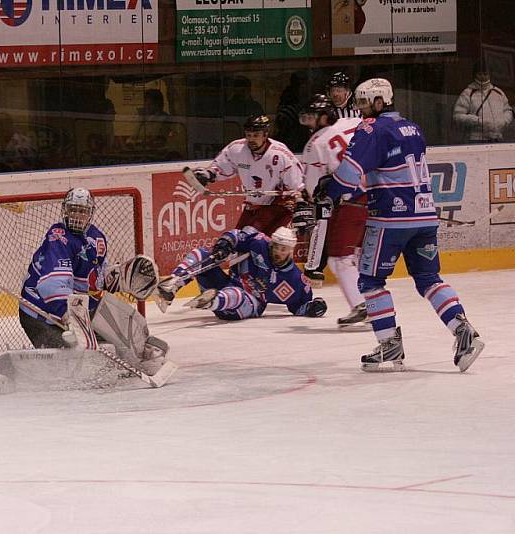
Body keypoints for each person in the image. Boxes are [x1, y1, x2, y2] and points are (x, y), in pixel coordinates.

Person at [317, 78, 484, 372]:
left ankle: (389, 344)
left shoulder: (371, 129)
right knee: (429, 280)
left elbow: (347, 175)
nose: (361, 109)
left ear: (381, 101)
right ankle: (464, 332)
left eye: (366, 102)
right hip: (425, 217)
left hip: (390, 220)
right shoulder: (413, 127)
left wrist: (327, 189)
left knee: (369, 281)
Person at [19, 187, 159, 350]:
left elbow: (94, 279)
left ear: (90, 213)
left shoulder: (96, 238)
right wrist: (68, 314)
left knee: (112, 347)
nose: (77, 215)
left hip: (75, 310)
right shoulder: (58, 238)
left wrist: (117, 279)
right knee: (69, 361)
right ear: (65, 210)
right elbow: (51, 285)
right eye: (73, 210)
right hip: (39, 313)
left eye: (82, 211)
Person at [296, 94, 366, 326]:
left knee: (339, 259)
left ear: (325, 117)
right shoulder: (354, 122)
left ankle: (362, 305)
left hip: (351, 201)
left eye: (312, 118)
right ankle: (374, 302)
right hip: (377, 192)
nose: (308, 123)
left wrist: (306, 195)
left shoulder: (315, 144)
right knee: (357, 254)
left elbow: (314, 187)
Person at [156, 226, 327, 320]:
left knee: (236, 294)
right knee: (200, 253)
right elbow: (237, 235)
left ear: (291, 250)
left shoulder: (296, 280)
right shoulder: (259, 243)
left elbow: (299, 305)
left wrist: (313, 308)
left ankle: (212, 301)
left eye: (283, 249)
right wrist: (224, 245)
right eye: (276, 246)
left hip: (250, 304)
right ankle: (173, 285)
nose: (278, 252)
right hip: (228, 283)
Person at [191, 114, 304, 235]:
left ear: (265, 134)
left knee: (251, 240)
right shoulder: (237, 149)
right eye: (248, 135)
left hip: (276, 207)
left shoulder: (280, 154)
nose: (251, 139)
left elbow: (296, 185)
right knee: (236, 241)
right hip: (252, 206)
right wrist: (209, 174)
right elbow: (221, 166)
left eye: (256, 135)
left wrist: (299, 201)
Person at [453, 62, 513, 143]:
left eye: (485, 74)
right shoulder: (468, 93)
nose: (483, 77)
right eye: (480, 74)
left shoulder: (498, 92)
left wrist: (504, 121)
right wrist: (477, 121)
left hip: (497, 138)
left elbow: (508, 110)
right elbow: (458, 116)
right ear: (475, 75)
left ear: (489, 75)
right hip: (476, 139)